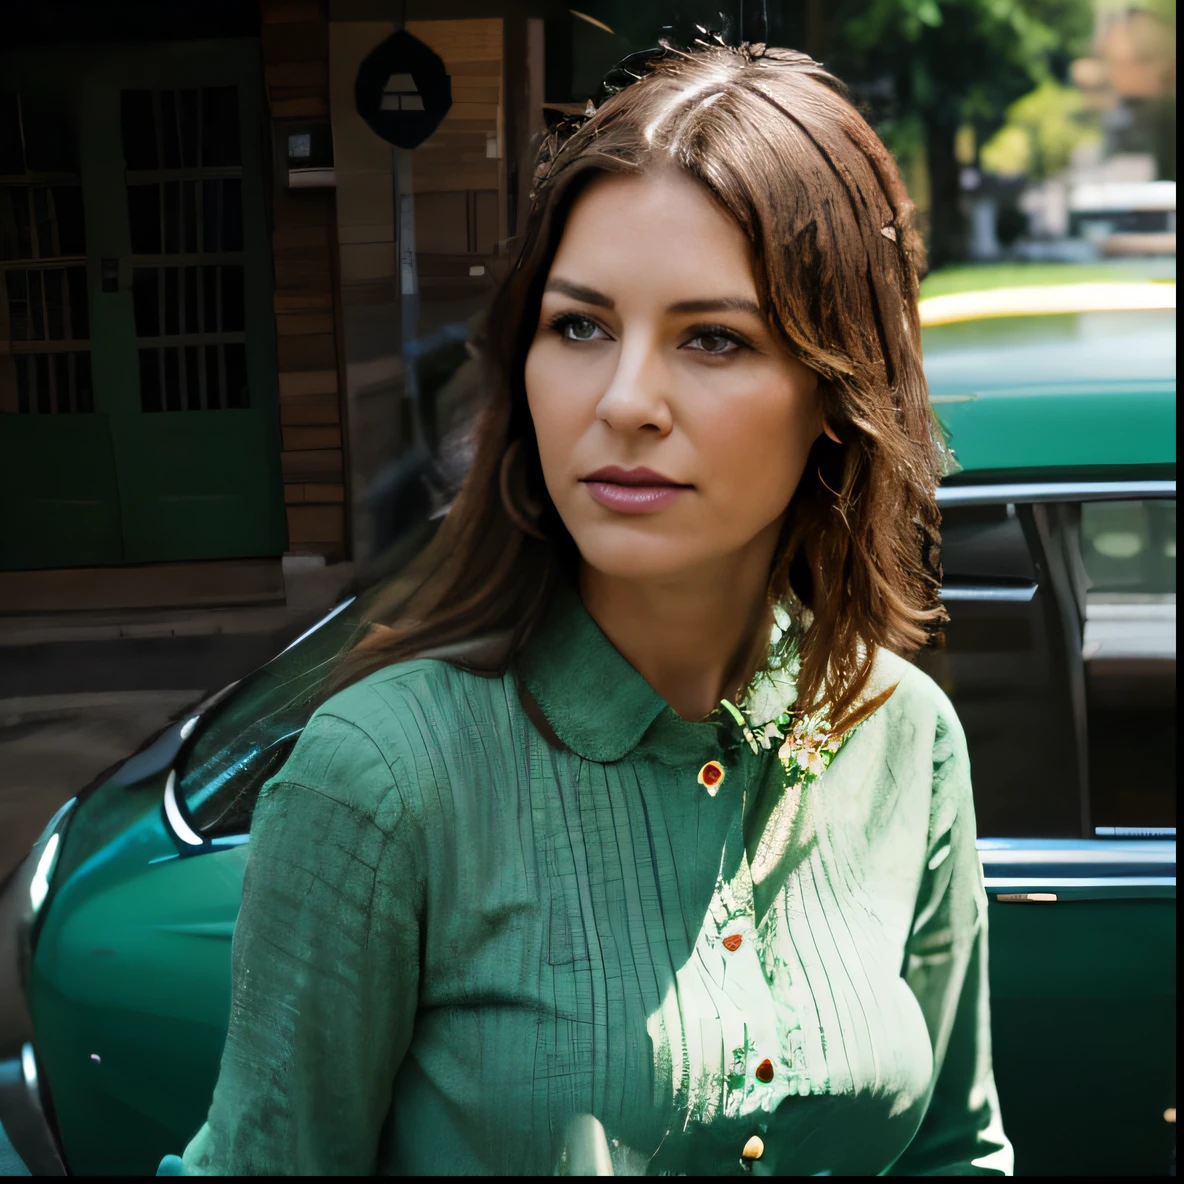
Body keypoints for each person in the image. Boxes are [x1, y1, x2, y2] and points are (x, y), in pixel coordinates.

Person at [161, 41, 1013, 1176]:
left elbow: (956, 1149)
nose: (622, 402)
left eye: (712, 338)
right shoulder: (383, 776)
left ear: (835, 393)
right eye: (579, 326)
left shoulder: (902, 731)